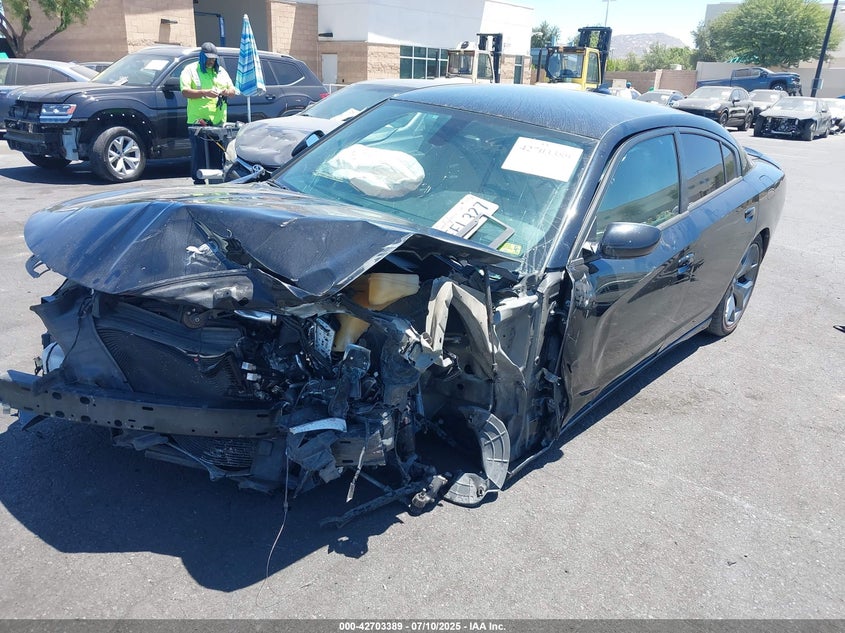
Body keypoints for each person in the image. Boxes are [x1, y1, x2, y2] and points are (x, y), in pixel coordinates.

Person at [180, 42, 236, 183]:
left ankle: (216, 186)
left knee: (217, 156)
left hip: (218, 123)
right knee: (200, 156)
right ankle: (198, 185)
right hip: (198, 122)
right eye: (208, 58)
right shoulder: (190, 70)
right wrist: (204, 93)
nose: (211, 61)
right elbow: (185, 92)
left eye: (213, 58)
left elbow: (232, 91)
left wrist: (225, 92)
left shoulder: (221, 71)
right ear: (201, 57)